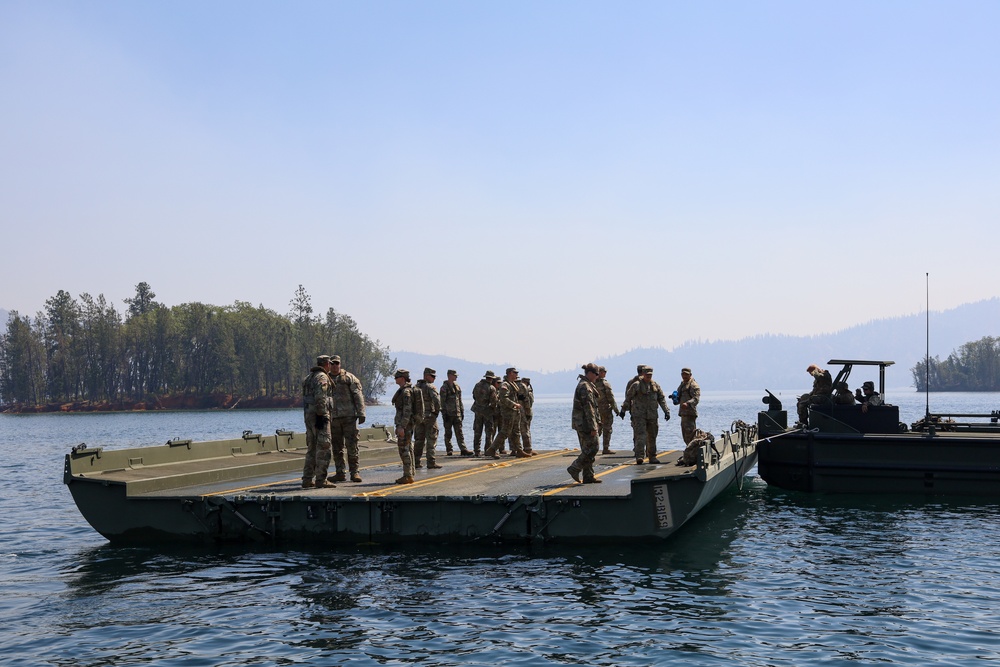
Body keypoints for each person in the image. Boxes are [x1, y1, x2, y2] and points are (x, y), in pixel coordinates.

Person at [327, 355, 367, 483]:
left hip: (349, 418)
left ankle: (355, 472)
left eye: (336, 363)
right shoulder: (325, 379)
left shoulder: (349, 377)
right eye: (332, 363)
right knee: (336, 447)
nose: (334, 366)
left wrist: (361, 413)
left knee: (352, 446)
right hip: (333, 419)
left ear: (340, 364)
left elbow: (358, 395)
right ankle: (340, 473)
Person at [301, 354, 335, 488]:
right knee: (324, 447)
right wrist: (321, 415)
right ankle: (321, 479)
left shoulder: (308, 378)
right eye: (330, 364)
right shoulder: (322, 377)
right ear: (326, 364)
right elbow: (320, 397)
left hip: (309, 416)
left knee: (312, 447)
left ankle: (307, 478)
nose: (331, 366)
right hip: (318, 416)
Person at [625, 366, 670, 464]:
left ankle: (652, 456)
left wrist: (666, 411)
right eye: (647, 374)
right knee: (640, 436)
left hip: (652, 415)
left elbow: (661, 399)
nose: (648, 376)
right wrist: (623, 410)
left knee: (652, 436)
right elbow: (628, 398)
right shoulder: (636, 385)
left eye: (650, 375)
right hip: (639, 415)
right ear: (643, 374)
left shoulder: (655, 385)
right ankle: (640, 456)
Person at [484, 367, 530, 459]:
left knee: (516, 432)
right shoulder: (505, 385)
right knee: (505, 432)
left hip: (515, 412)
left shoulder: (512, 384)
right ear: (509, 373)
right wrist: (514, 404)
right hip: (508, 412)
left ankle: (519, 450)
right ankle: (492, 449)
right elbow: (503, 398)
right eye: (514, 373)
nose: (516, 374)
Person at [568, 363, 602, 484]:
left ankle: (588, 475)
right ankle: (575, 467)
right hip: (585, 424)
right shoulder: (585, 387)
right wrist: (593, 427)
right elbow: (589, 409)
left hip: (583, 423)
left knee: (587, 448)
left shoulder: (587, 385)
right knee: (593, 448)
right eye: (596, 374)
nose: (597, 377)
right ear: (590, 373)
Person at [390, 369, 423, 484]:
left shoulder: (406, 392)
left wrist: (402, 426)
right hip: (407, 424)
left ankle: (408, 475)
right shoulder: (405, 390)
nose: (395, 379)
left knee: (404, 448)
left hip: (405, 425)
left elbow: (407, 411)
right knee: (408, 448)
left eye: (397, 377)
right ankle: (410, 473)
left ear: (402, 378)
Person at [413, 367, 443, 469]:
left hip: (418, 417)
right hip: (429, 417)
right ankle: (431, 461)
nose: (434, 378)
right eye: (432, 376)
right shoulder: (430, 387)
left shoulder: (415, 387)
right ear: (426, 376)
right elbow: (437, 401)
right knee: (431, 439)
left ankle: (416, 461)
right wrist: (436, 413)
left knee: (419, 440)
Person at [441, 370, 472, 456]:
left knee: (459, 432)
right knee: (448, 433)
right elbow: (442, 402)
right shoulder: (444, 387)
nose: (456, 377)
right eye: (454, 375)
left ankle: (463, 449)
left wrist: (462, 411)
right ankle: (449, 449)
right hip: (448, 413)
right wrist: (444, 413)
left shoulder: (457, 387)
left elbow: (460, 401)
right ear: (449, 375)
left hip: (457, 413)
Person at [471, 370, 497, 456]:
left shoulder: (477, 385)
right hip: (487, 412)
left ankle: (477, 450)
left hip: (477, 410)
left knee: (477, 431)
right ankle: (488, 449)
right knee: (489, 431)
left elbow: (474, 396)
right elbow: (493, 401)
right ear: (492, 379)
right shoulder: (491, 388)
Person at [595, 366, 620, 454]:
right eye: (604, 372)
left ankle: (593, 448)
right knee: (607, 429)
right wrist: (616, 409)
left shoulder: (591, 383)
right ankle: (606, 448)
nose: (605, 373)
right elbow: (611, 398)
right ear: (600, 372)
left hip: (595, 410)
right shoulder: (605, 384)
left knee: (597, 429)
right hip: (605, 410)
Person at [676, 367, 701, 445]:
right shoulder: (683, 384)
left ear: (690, 375)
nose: (684, 376)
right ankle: (689, 450)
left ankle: (692, 452)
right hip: (683, 413)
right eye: (683, 374)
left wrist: (688, 403)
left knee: (690, 434)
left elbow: (696, 399)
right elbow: (679, 396)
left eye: (686, 374)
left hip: (690, 413)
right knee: (685, 434)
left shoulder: (693, 385)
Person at [519, 377, 536, 455]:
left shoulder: (526, 391)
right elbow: (528, 403)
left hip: (526, 412)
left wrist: (528, 412)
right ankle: (527, 448)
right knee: (526, 430)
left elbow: (528, 403)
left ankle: (527, 448)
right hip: (526, 412)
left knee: (525, 430)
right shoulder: (527, 390)